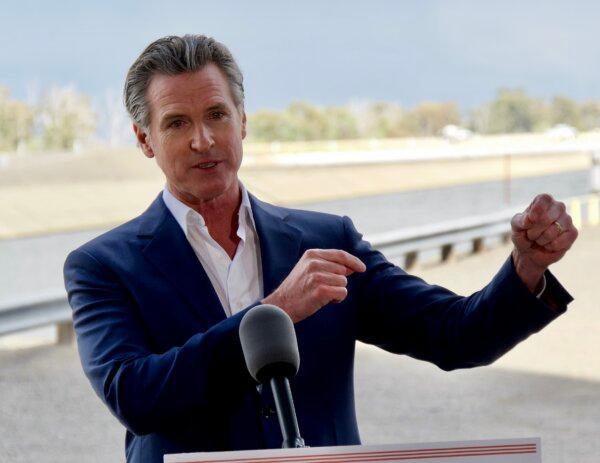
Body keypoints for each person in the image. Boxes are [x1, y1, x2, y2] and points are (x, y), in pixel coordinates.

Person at [63, 35, 577, 463]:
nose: (203, 139)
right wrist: (273, 313)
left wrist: (525, 267)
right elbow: (136, 396)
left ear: (243, 121)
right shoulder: (102, 266)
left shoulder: (327, 240)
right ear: (145, 138)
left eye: (217, 114)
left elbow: (456, 335)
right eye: (177, 123)